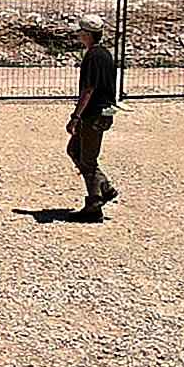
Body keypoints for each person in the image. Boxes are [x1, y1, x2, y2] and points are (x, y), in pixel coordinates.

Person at [67, 14, 121, 219]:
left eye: (81, 32)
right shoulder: (105, 54)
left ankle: (94, 204)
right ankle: (104, 187)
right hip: (102, 112)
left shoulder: (93, 56)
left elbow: (88, 89)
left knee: (87, 159)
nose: (79, 35)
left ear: (88, 34)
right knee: (74, 150)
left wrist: (76, 116)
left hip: (93, 114)